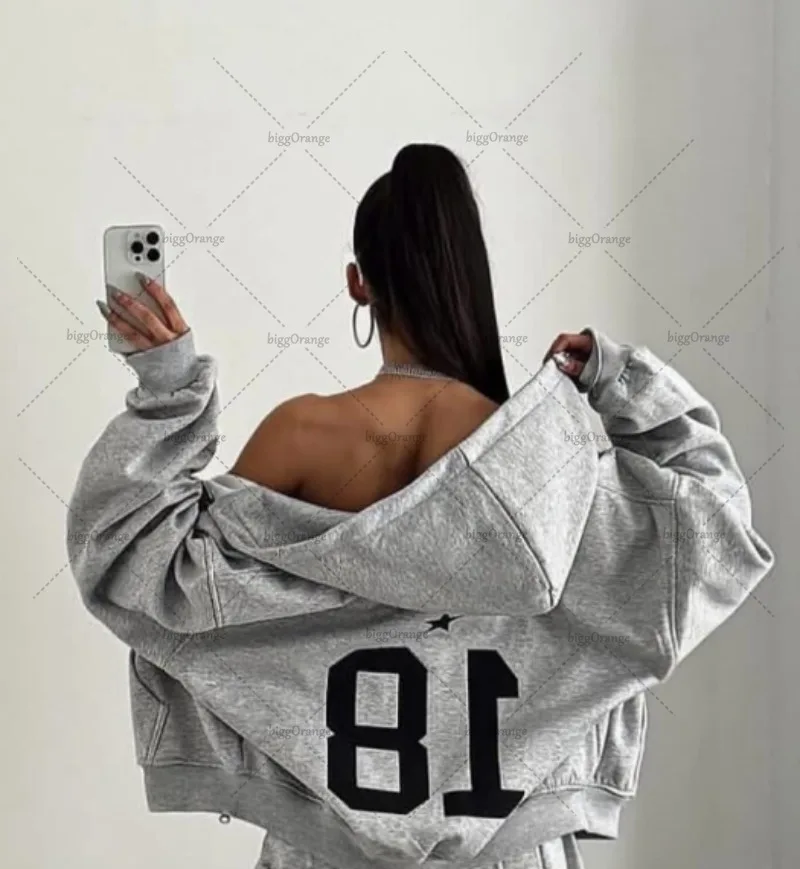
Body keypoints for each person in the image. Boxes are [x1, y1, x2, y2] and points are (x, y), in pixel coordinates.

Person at [79, 143, 772, 869]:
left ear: (358, 283)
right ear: (470, 279)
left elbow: (138, 558)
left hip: (322, 849)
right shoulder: (546, 460)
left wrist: (169, 386)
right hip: (515, 849)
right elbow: (715, 526)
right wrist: (616, 376)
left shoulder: (301, 436)